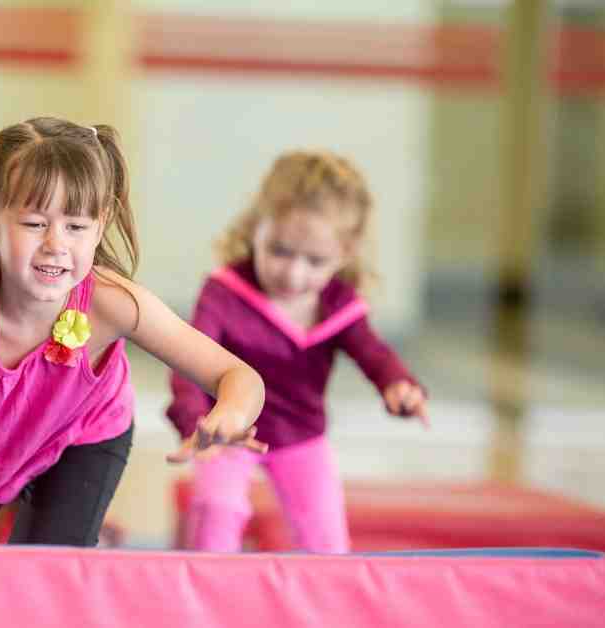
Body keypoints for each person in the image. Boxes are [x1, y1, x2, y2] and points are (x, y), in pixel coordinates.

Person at [0, 117, 267, 545]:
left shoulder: (113, 303)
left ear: (100, 225)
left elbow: (239, 377)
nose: (55, 244)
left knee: (44, 578)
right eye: (34, 224)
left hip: (80, 434)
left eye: (76, 226)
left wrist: (230, 414)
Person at [167, 149, 428, 553]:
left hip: (302, 437)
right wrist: (196, 421)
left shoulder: (338, 306)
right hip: (228, 429)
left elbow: (375, 356)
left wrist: (399, 386)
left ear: (345, 253)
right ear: (256, 229)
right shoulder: (224, 292)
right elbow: (188, 361)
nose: (294, 273)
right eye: (280, 251)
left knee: (325, 537)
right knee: (218, 509)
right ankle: (207, 602)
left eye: (315, 261)